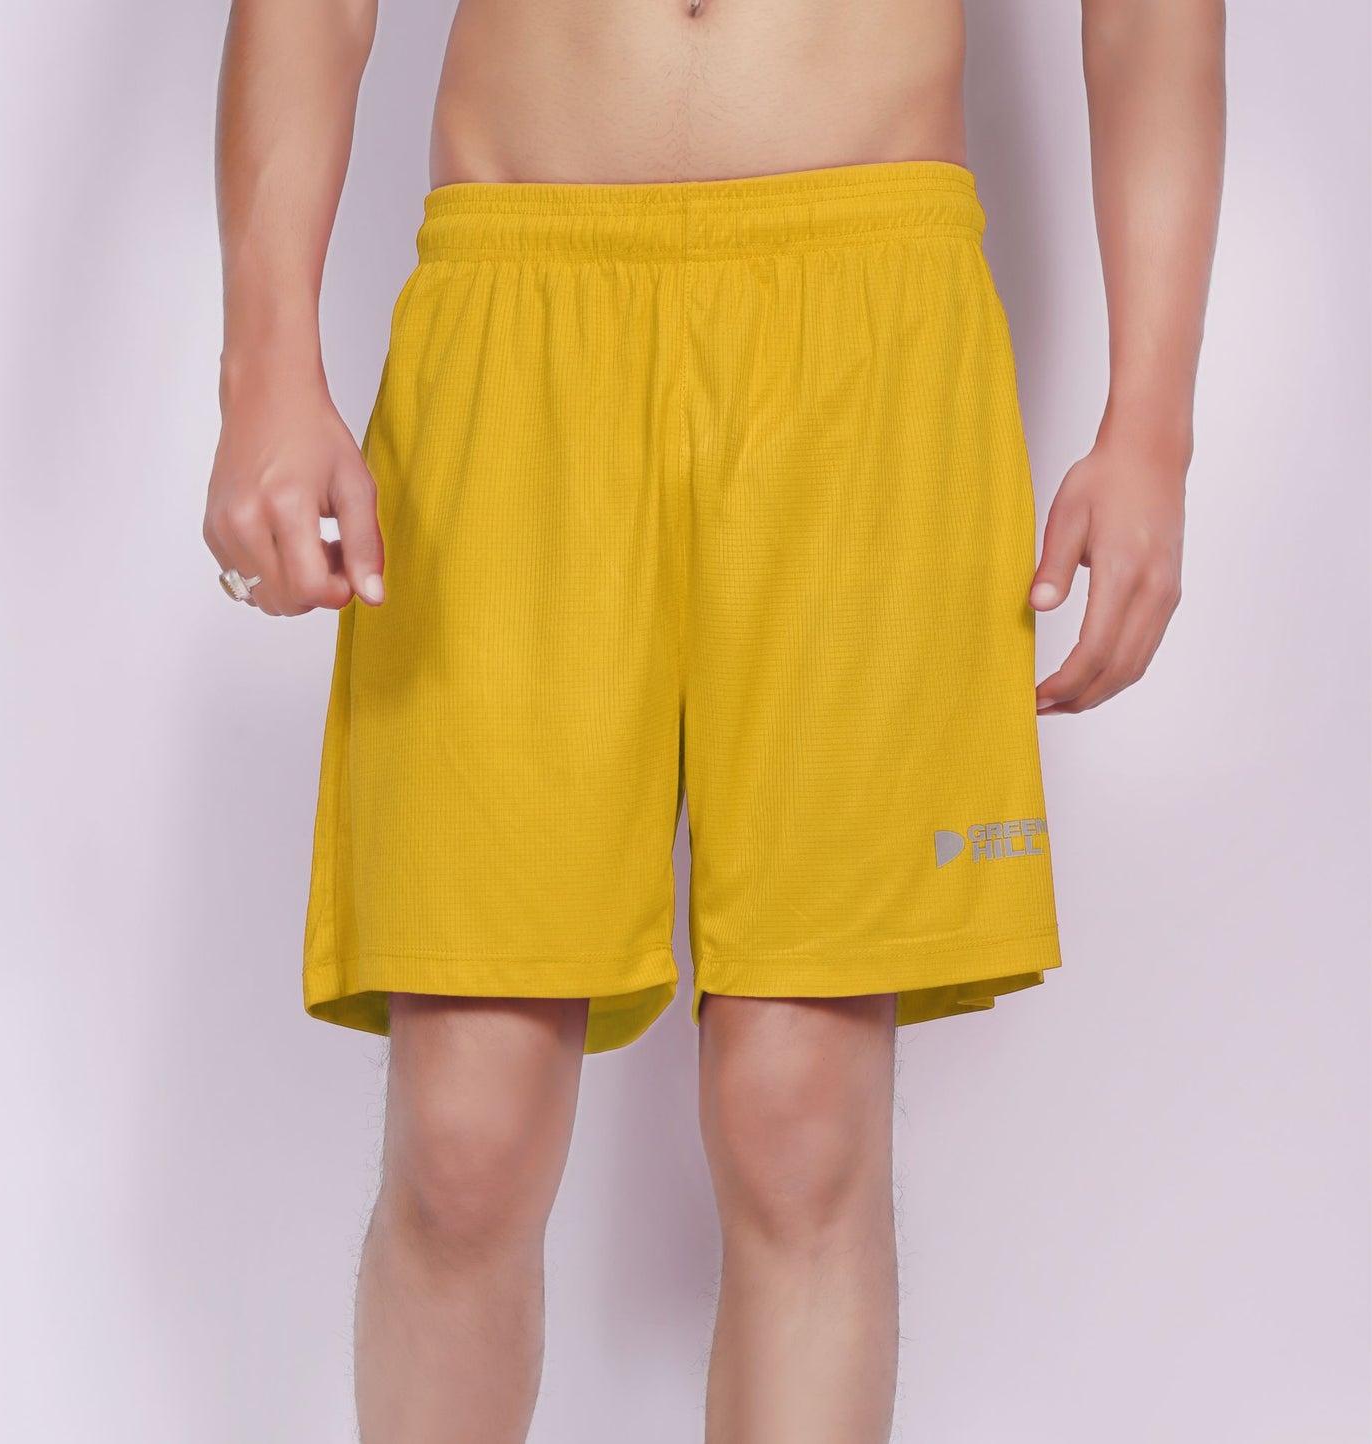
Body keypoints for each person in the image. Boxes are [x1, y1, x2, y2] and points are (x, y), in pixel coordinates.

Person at [203, 0, 1224, 1437]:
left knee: (799, 1121)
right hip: (516, 302)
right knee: (465, 1136)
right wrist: (264, 364)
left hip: (871, 319)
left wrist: (1151, 428)